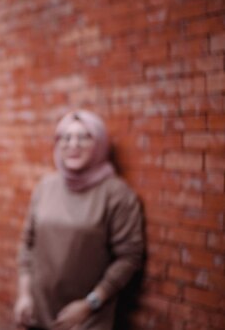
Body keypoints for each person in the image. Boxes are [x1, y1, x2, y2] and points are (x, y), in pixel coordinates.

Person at [14, 109, 144, 330]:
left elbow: (129, 257)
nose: (73, 144)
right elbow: (28, 245)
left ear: (100, 144)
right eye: (66, 137)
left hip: (86, 319)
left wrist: (90, 304)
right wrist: (24, 295)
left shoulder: (117, 194)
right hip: (37, 314)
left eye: (84, 137)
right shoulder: (46, 186)